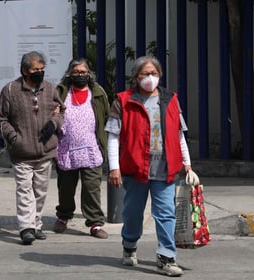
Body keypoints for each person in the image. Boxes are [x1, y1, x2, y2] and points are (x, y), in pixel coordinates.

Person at [105, 56, 195, 276]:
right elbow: (113, 137)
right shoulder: (123, 100)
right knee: (133, 213)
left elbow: (179, 134)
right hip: (135, 168)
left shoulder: (170, 99)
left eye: (153, 73)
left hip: (164, 168)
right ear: (136, 77)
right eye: (144, 74)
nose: (149, 78)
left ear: (160, 75)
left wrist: (187, 163)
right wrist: (114, 167)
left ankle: (166, 257)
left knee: (165, 213)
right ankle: (129, 245)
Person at [0, 51, 65, 245]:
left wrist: (53, 124)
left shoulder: (50, 89)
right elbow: (0, 119)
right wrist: (13, 137)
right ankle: (26, 227)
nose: (39, 73)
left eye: (42, 69)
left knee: (40, 192)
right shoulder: (10, 90)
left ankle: (36, 223)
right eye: (35, 69)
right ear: (25, 71)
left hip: (45, 151)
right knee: (25, 190)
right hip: (21, 152)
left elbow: (61, 111)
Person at [53, 58, 110, 239]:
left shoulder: (98, 93)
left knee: (92, 187)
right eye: (76, 72)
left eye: (83, 72)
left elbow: (106, 117)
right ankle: (63, 216)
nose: (80, 75)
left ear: (89, 74)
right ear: (70, 74)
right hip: (66, 148)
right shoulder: (61, 92)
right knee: (66, 187)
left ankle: (94, 223)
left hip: (91, 148)